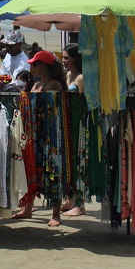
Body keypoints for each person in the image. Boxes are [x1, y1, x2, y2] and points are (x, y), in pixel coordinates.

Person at [12, 50, 66, 225]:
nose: (32, 66)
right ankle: (28, 209)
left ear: (44, 65)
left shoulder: (54, 85)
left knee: (52, 171)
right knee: (31, 168)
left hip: (50, 135)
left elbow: (52, 112)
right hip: (34, 134)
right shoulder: (36, 85)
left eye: (35, 63)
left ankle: (56, 214)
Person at [59, 43, 86, 217]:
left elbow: (84, 102)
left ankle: (80, 203)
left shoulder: (80, 78)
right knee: (68, 161)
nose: (63, 60)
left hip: (78, 122)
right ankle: (70, 199)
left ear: (75, 58)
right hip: (66, 120)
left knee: (78, 160)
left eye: (66, 57)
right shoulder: (68, 75)